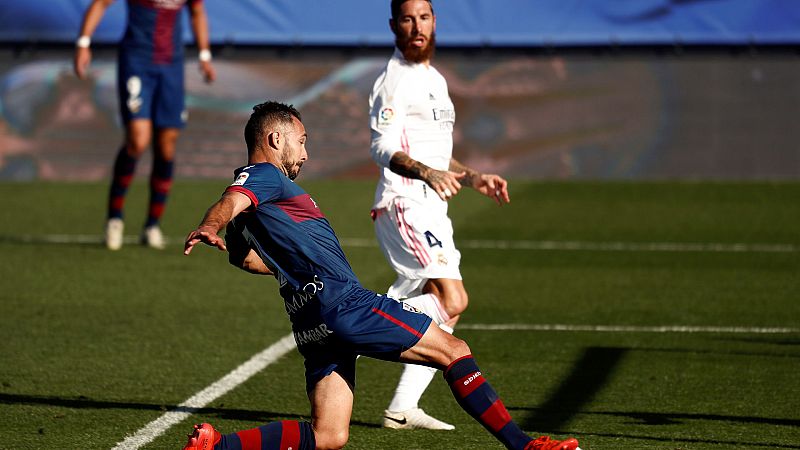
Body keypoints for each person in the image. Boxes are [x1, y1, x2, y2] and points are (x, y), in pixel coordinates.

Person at [181, 101, 580, 450]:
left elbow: (246, 259)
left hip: (310, 323)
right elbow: (230, 201)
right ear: (274, 139)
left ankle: (216, 446)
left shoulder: (254, 203)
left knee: (329, 435)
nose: (305, 152)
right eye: (301, 141)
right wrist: (210, 224)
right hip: (344, 303)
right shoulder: (266, 177)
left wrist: (281, 259)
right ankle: (526, 446)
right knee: (454, 351)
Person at [368, 0, 511, 430]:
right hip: (405, 203)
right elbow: (381, 146)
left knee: (445, 313)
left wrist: (471, 177)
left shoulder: (436, 79)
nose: (417, 27)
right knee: (453, 299)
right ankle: (346, 324)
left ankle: (402, 407)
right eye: (408, 19)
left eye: (424, 17)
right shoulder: (392, 82)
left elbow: (439, 155)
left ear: (434, 23)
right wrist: (427, 173)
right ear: (394, 25)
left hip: (433, 206)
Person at [74, 0, 216, 250]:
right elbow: (100, 4)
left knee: (166, 146)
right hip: (137, 63)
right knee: (138, 141)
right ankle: (115, 219)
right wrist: (83, 43)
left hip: (171, 67)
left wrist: (204, 55)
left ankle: (152, 224)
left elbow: (197, 12)